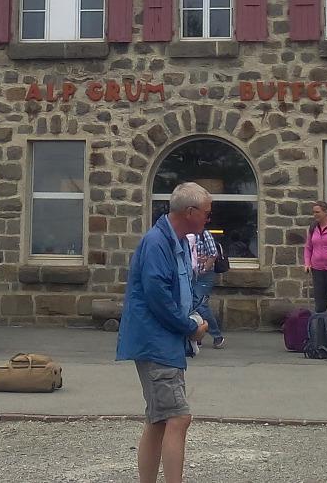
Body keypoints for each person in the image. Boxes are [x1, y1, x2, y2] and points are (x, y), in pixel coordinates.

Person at [117, 182, 212, 483]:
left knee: (158, 419)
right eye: (206, 213)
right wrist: (189, 328)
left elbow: (180, 290)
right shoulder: (158, 242)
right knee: (178, 417)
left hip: (163, 341)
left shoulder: (178, 241)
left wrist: (194, 318)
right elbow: (157, 295)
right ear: (190, 211)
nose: (209, 218)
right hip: (156, 342)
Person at [188, 227, 225, 349]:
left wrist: (205, 269)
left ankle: (217, 335)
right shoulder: (185, 234)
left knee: (200, 304)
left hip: (204, 275)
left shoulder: (205, 234)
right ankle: (198, 335)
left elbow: (213, 253)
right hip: (191, 275)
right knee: (192, 305)